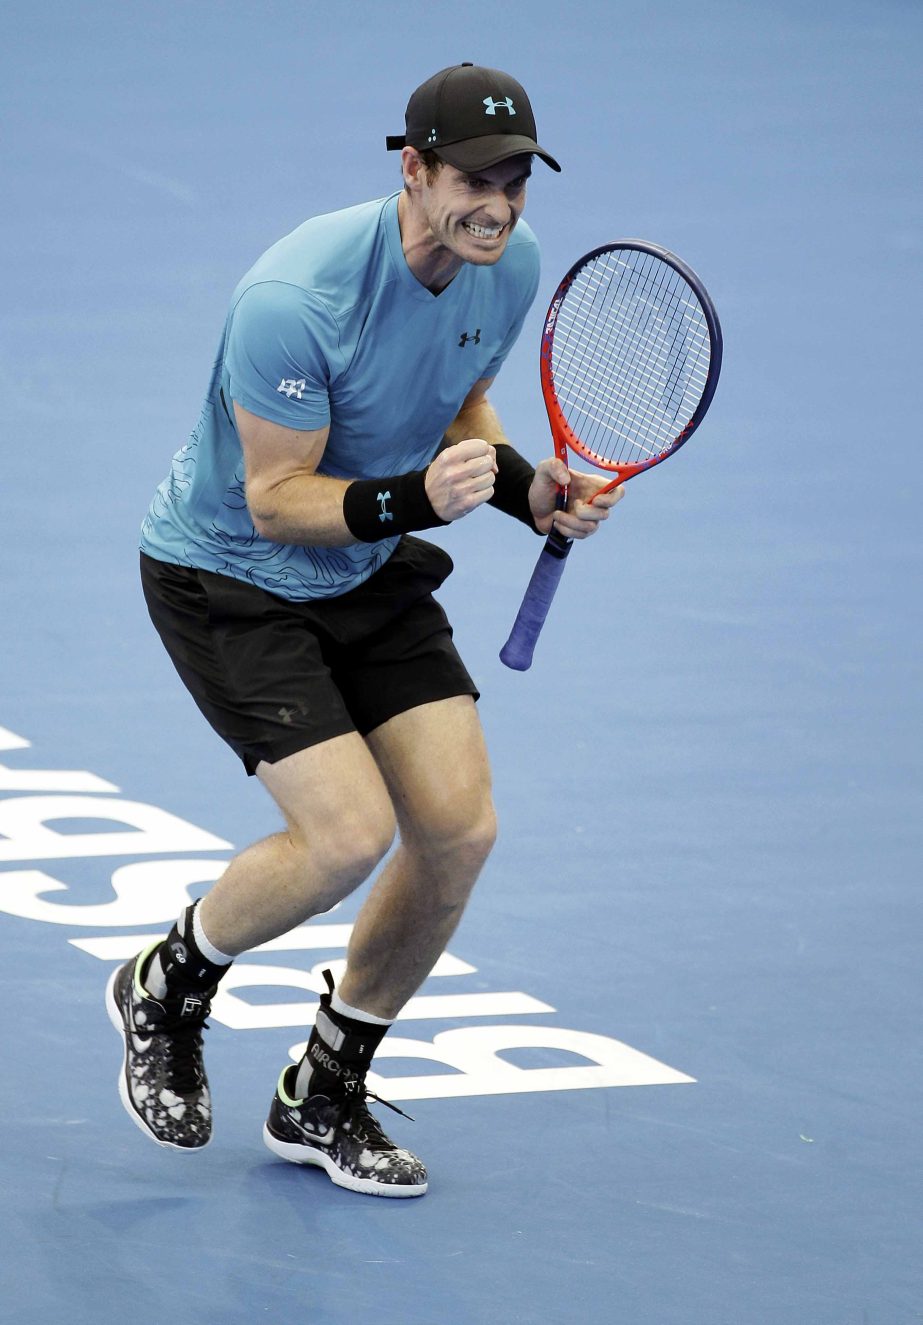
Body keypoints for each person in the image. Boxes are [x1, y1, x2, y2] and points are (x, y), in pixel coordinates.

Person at [106, 62, 624, 1198]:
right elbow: (275, 498)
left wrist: (526, 489)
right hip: (230, 573)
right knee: (344, 836)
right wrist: (410, 502)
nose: (497, 204)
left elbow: (459, 401)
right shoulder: (294, 300)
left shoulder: (509, 264)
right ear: (413, 170)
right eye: (472, 181)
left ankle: (324, 1087)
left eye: (516, 181)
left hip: (362, 562)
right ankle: (170, 977)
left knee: (455, 830)